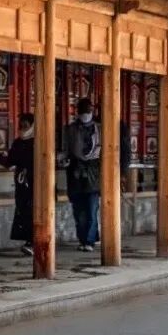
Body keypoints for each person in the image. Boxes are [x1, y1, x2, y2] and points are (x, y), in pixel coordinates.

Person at [0, 113, 35, 257]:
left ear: (32, 126)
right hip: (22, 183)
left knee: (34, 210)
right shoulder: (18, 143)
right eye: (21, 126)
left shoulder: (39, 142)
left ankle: (33, 242)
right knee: (23, 210)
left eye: (26, 126)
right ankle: (29, 241)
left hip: (36, 182)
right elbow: (10, 161)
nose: (22, 129)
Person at [64, 98, 101, 252]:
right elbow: (65, 150)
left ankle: (89, 240)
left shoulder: (99, 129)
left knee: (92, 209)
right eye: (83, 110)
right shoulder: (70, 129)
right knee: (79, 211)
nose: (86, 113)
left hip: (94, 173)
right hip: (76, 173)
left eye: (88, 110)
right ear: (77, 112)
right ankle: (83, 239)